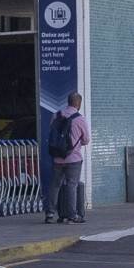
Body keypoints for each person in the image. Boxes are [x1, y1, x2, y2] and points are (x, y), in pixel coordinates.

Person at [44, 92, 90, 223]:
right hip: (73, 159)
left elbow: (52, 134)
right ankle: (72, 215)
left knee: (55, 185)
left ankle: (50, 214)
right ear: (78, 103)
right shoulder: (80, 119)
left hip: (57, 158)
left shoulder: (56, 115)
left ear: (68, 101)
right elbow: (86, 140)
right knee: (71, 185)